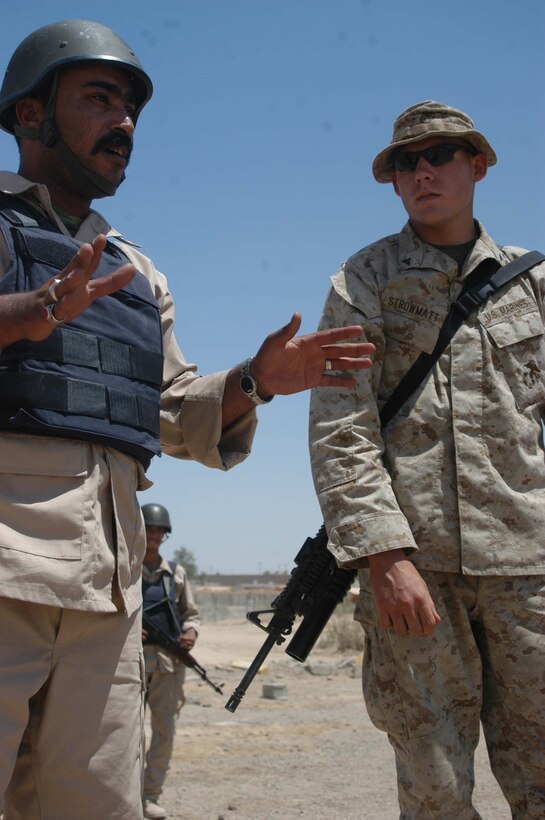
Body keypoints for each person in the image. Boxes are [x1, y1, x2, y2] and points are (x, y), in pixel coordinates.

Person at [0, 19, 376, 820]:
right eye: (99, 99)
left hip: (109, 588)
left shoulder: (135, 273)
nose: (125, 124)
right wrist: (30, 309)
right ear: (30, 116)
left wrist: (253, 381)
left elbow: (172, 413)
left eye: (133, 109)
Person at [309, 100, 545, 818]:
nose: (422, 172)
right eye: (405, 162)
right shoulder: (363, 280)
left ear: (476, 166)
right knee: (435, 790)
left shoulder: (533, 283)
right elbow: (339, 427)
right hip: (417, 577)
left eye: (438, 155)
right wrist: (384, 556)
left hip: (529, 572)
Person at [140, 503, 198, 820]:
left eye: (158, 530)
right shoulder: (125, 567)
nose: (153, 535)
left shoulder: (175, 572)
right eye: (149, 528)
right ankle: (125, 794)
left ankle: (150, 796)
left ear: (165, 534)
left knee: (163, 734)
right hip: (128, 666)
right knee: (126, 736)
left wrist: (191, 634)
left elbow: (192, 615)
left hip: (166, 666)